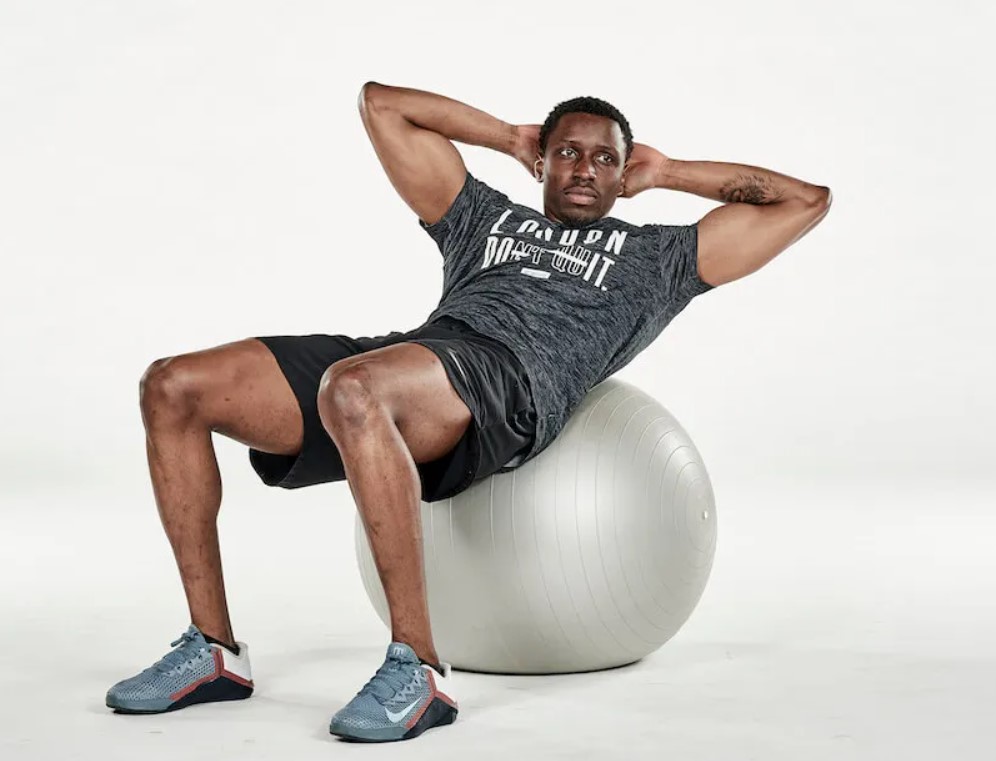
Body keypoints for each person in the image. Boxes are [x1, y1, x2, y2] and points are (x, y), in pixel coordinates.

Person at [105, 82, 832, 742]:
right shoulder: (483, 216)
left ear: (623, 172)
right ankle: (212, 652)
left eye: (604, 159)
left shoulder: (660, 258)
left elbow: (806, 201)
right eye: (567, 153)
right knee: (172, 385)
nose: (584, 168)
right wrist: (507, 139)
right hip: (422, 355)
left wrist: (665, 170)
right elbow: (381, 104)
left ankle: (417, 670)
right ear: (542, 163)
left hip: (508, 385)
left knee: (352, 389)